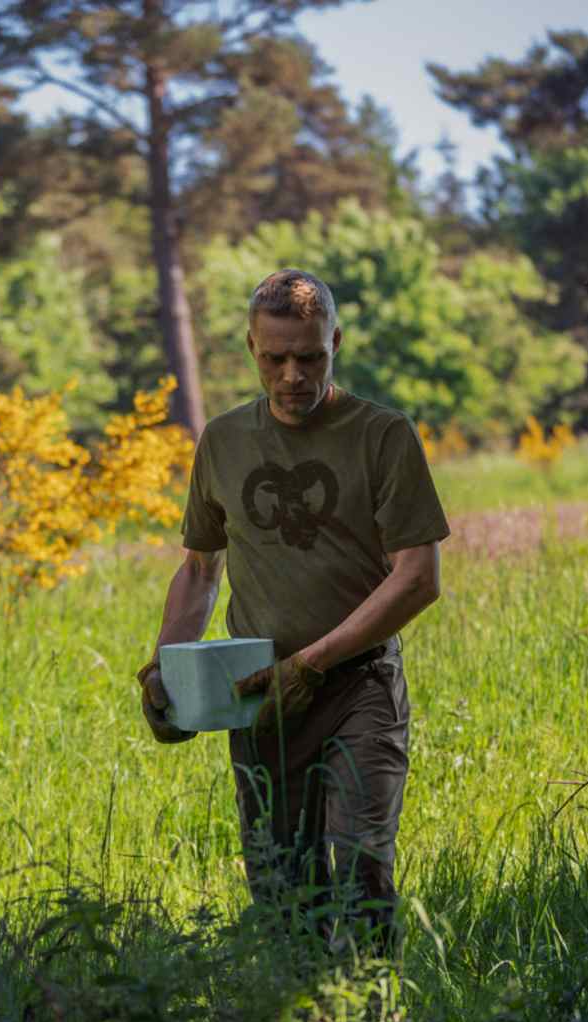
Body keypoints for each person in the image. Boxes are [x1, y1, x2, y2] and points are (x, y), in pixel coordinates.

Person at [137, 268, 450, 949]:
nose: (291, 376)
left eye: (309, 357)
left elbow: (418, 577)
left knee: (360, 870)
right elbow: (199, 569)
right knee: (282, 892)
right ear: (250, 348)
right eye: (275, 358)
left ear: (335, 342)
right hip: (256, 697)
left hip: (358, 688)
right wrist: (168, 671)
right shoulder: (222, 441)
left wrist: (313, 663)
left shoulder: (382, 436)